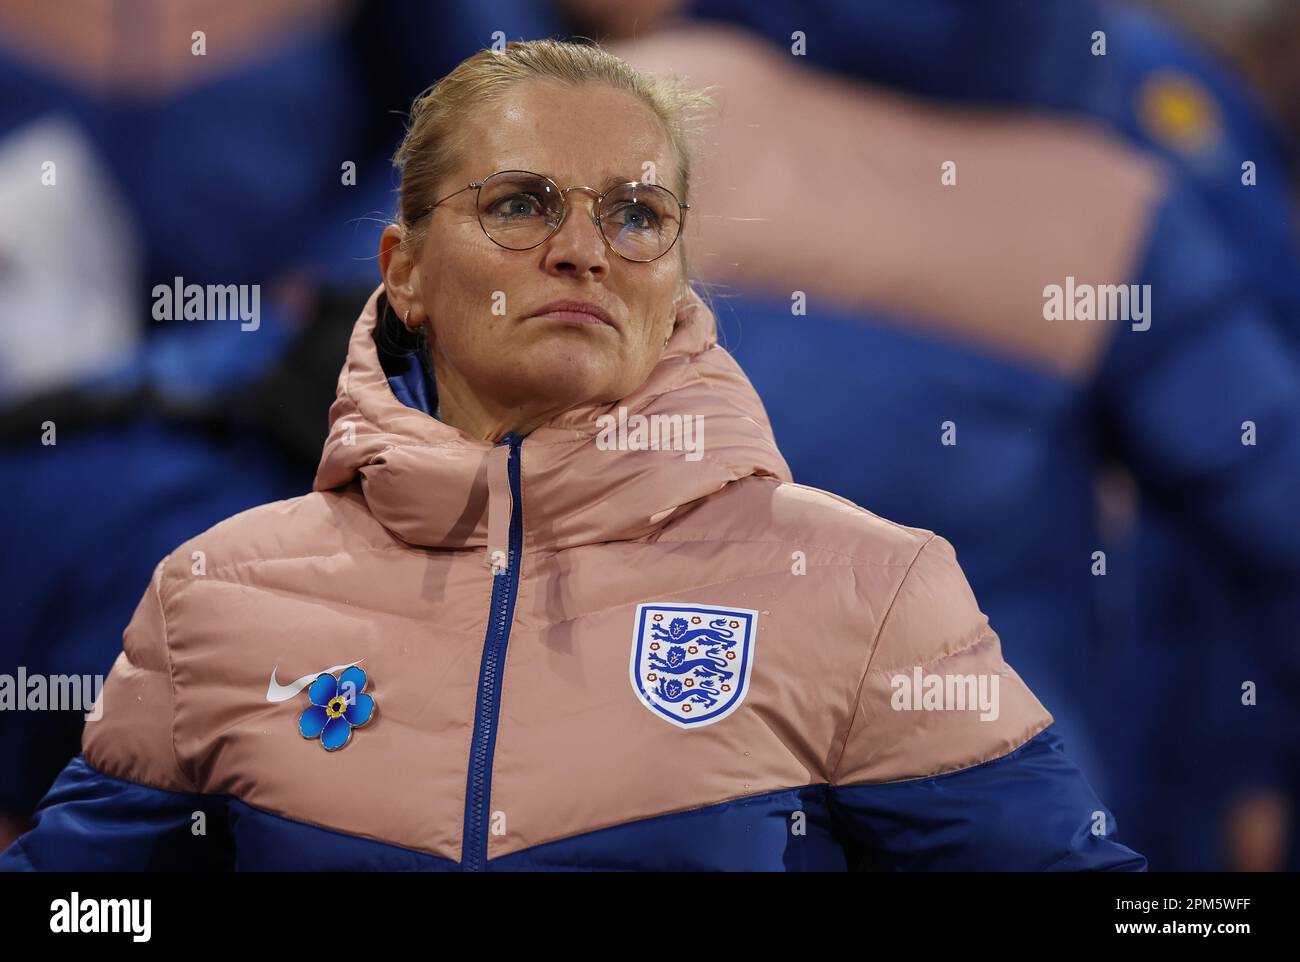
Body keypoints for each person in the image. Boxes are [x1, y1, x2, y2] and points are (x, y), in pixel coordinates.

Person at [1, 39, 1143, 872]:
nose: (585, 251)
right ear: (400, 268)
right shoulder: (218, 593)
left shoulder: (867, 587)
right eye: (522, 205)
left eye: (637, 216)